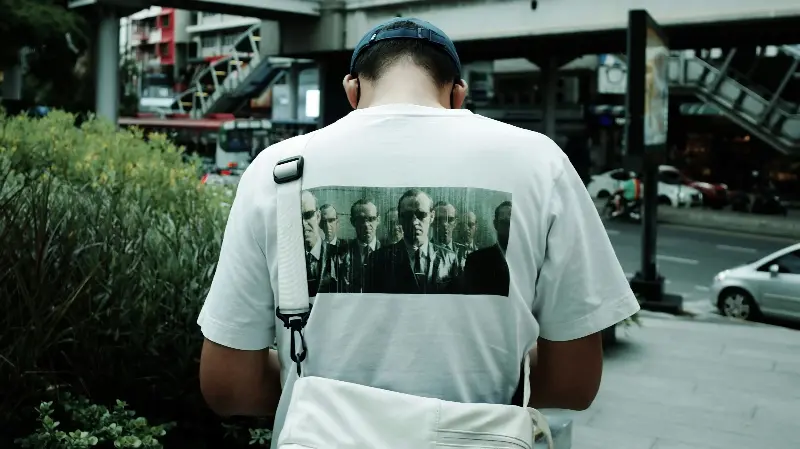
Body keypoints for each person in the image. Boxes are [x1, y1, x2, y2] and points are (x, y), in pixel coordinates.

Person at [197, 17, 640, 447]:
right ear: (458, 93)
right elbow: (574, 383)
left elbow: (228, 386)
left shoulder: (278, 171)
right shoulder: (542, 163)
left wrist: (333, 400)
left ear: (351, 90)